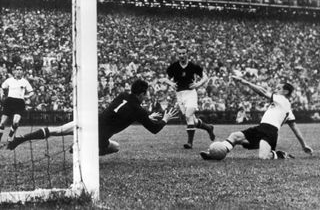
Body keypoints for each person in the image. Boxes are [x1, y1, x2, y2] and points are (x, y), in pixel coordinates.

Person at [7, 79, 178, 155]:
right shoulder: (138, 110)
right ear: (142, 94)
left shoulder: (122, 96)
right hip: (99, 136)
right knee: (115, 147)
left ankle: (22, 138)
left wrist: (148, 114)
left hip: (89, 121)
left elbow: (124, 113)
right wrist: (165, 119)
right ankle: (82, 150)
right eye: (145, 94)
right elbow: (154, 129)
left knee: (56, 130)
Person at [200, 76, 313, 160]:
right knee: (234, 136)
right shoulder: (286, 108)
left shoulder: (281, 99)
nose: (275, 90)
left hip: (270, 132)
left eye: (278, 88)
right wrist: (304, 145)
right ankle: (214, 154)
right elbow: (294, 127)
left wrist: (245, 82)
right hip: (261, 128)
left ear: (285, 91)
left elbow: (263, 92)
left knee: (263, 157)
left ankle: (280, 154)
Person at [164, 45, 215, 149]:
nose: (182, 55)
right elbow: (165, 79)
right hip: (180, 95)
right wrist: (171, 83)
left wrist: (198, 84)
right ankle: (208, 127)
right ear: (177, 55)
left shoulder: (193, 66)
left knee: (188, 115)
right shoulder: (173, 67)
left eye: (183, 53)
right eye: (179, 54)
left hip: (191, 93)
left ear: (187, 54)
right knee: (193, 120)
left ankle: (189, 143)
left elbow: (205, 77)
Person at [0, 65, 34, 143]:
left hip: (19, 102)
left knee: (15, 122)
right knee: (2, 123)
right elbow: (2, 87)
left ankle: (10, 137)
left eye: (20, 69)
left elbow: (31, 92)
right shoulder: (9, 80)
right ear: (14, 71)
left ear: (22, 72)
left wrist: (26, 96)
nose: (18, 71)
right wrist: (1, 94)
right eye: (17, 69)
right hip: (9, 101)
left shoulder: (25, 81)